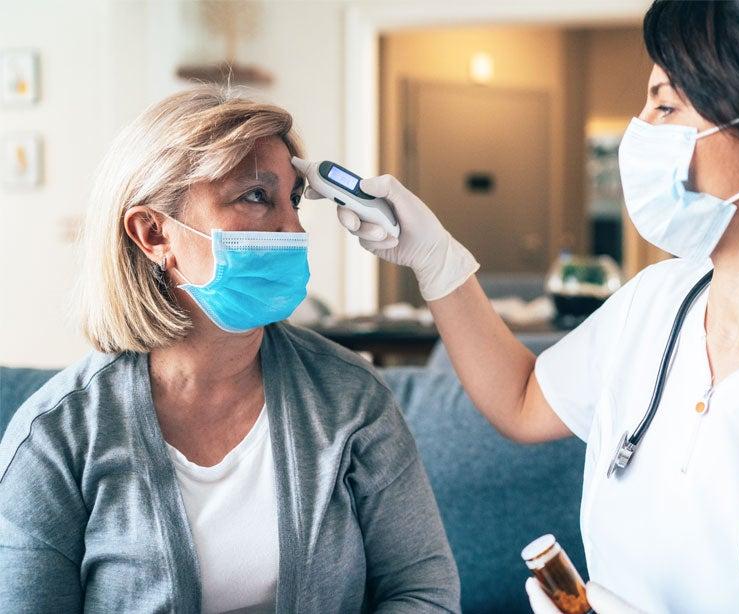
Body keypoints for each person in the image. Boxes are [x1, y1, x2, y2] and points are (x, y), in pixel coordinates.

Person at [311, 1, 739, 611]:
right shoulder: (657, 303)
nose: (639, 131)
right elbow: (523, 400)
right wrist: (436, 259)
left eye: (665, 107)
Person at [0, 86, 460, 613]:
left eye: (292, 200)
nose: (293, 228)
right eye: (256, 196)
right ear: (153, 233)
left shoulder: (352, 397)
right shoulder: (56, 437)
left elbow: (423, 593)